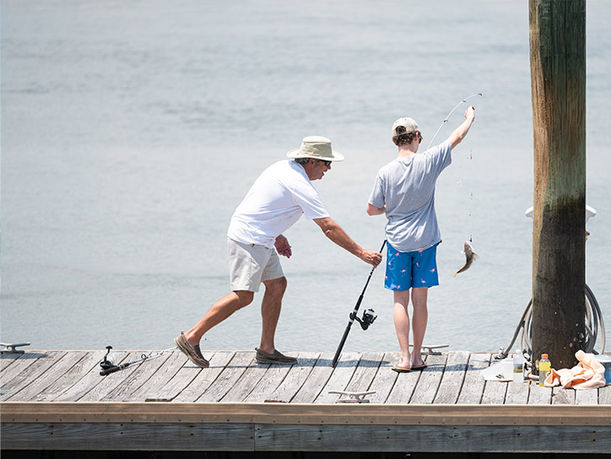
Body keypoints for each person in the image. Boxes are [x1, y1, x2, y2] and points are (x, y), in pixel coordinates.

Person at [176, 136, 382, 368]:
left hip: (261, 237)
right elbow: (328, 227)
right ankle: (192, 337)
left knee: (277, 285)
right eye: (326, 163)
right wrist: (361, 253)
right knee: (243, 296)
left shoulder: (283, 168)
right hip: (249, 239)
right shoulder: (299, 183)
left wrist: (278, 235)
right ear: (312, 161)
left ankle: (266, 349)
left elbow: (266, 205)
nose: (329, 169)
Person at [367, 107, 475, 372]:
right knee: (420, 302)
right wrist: (470, 117)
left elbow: (371, 209)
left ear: (394, 141)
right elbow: (456, 138)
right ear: (418, 137)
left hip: (398, 244)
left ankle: (403, 358)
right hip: (426, 243)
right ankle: (417, 357)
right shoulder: (429, 161)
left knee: (399, 301)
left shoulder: (385, 172)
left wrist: (388, 209)